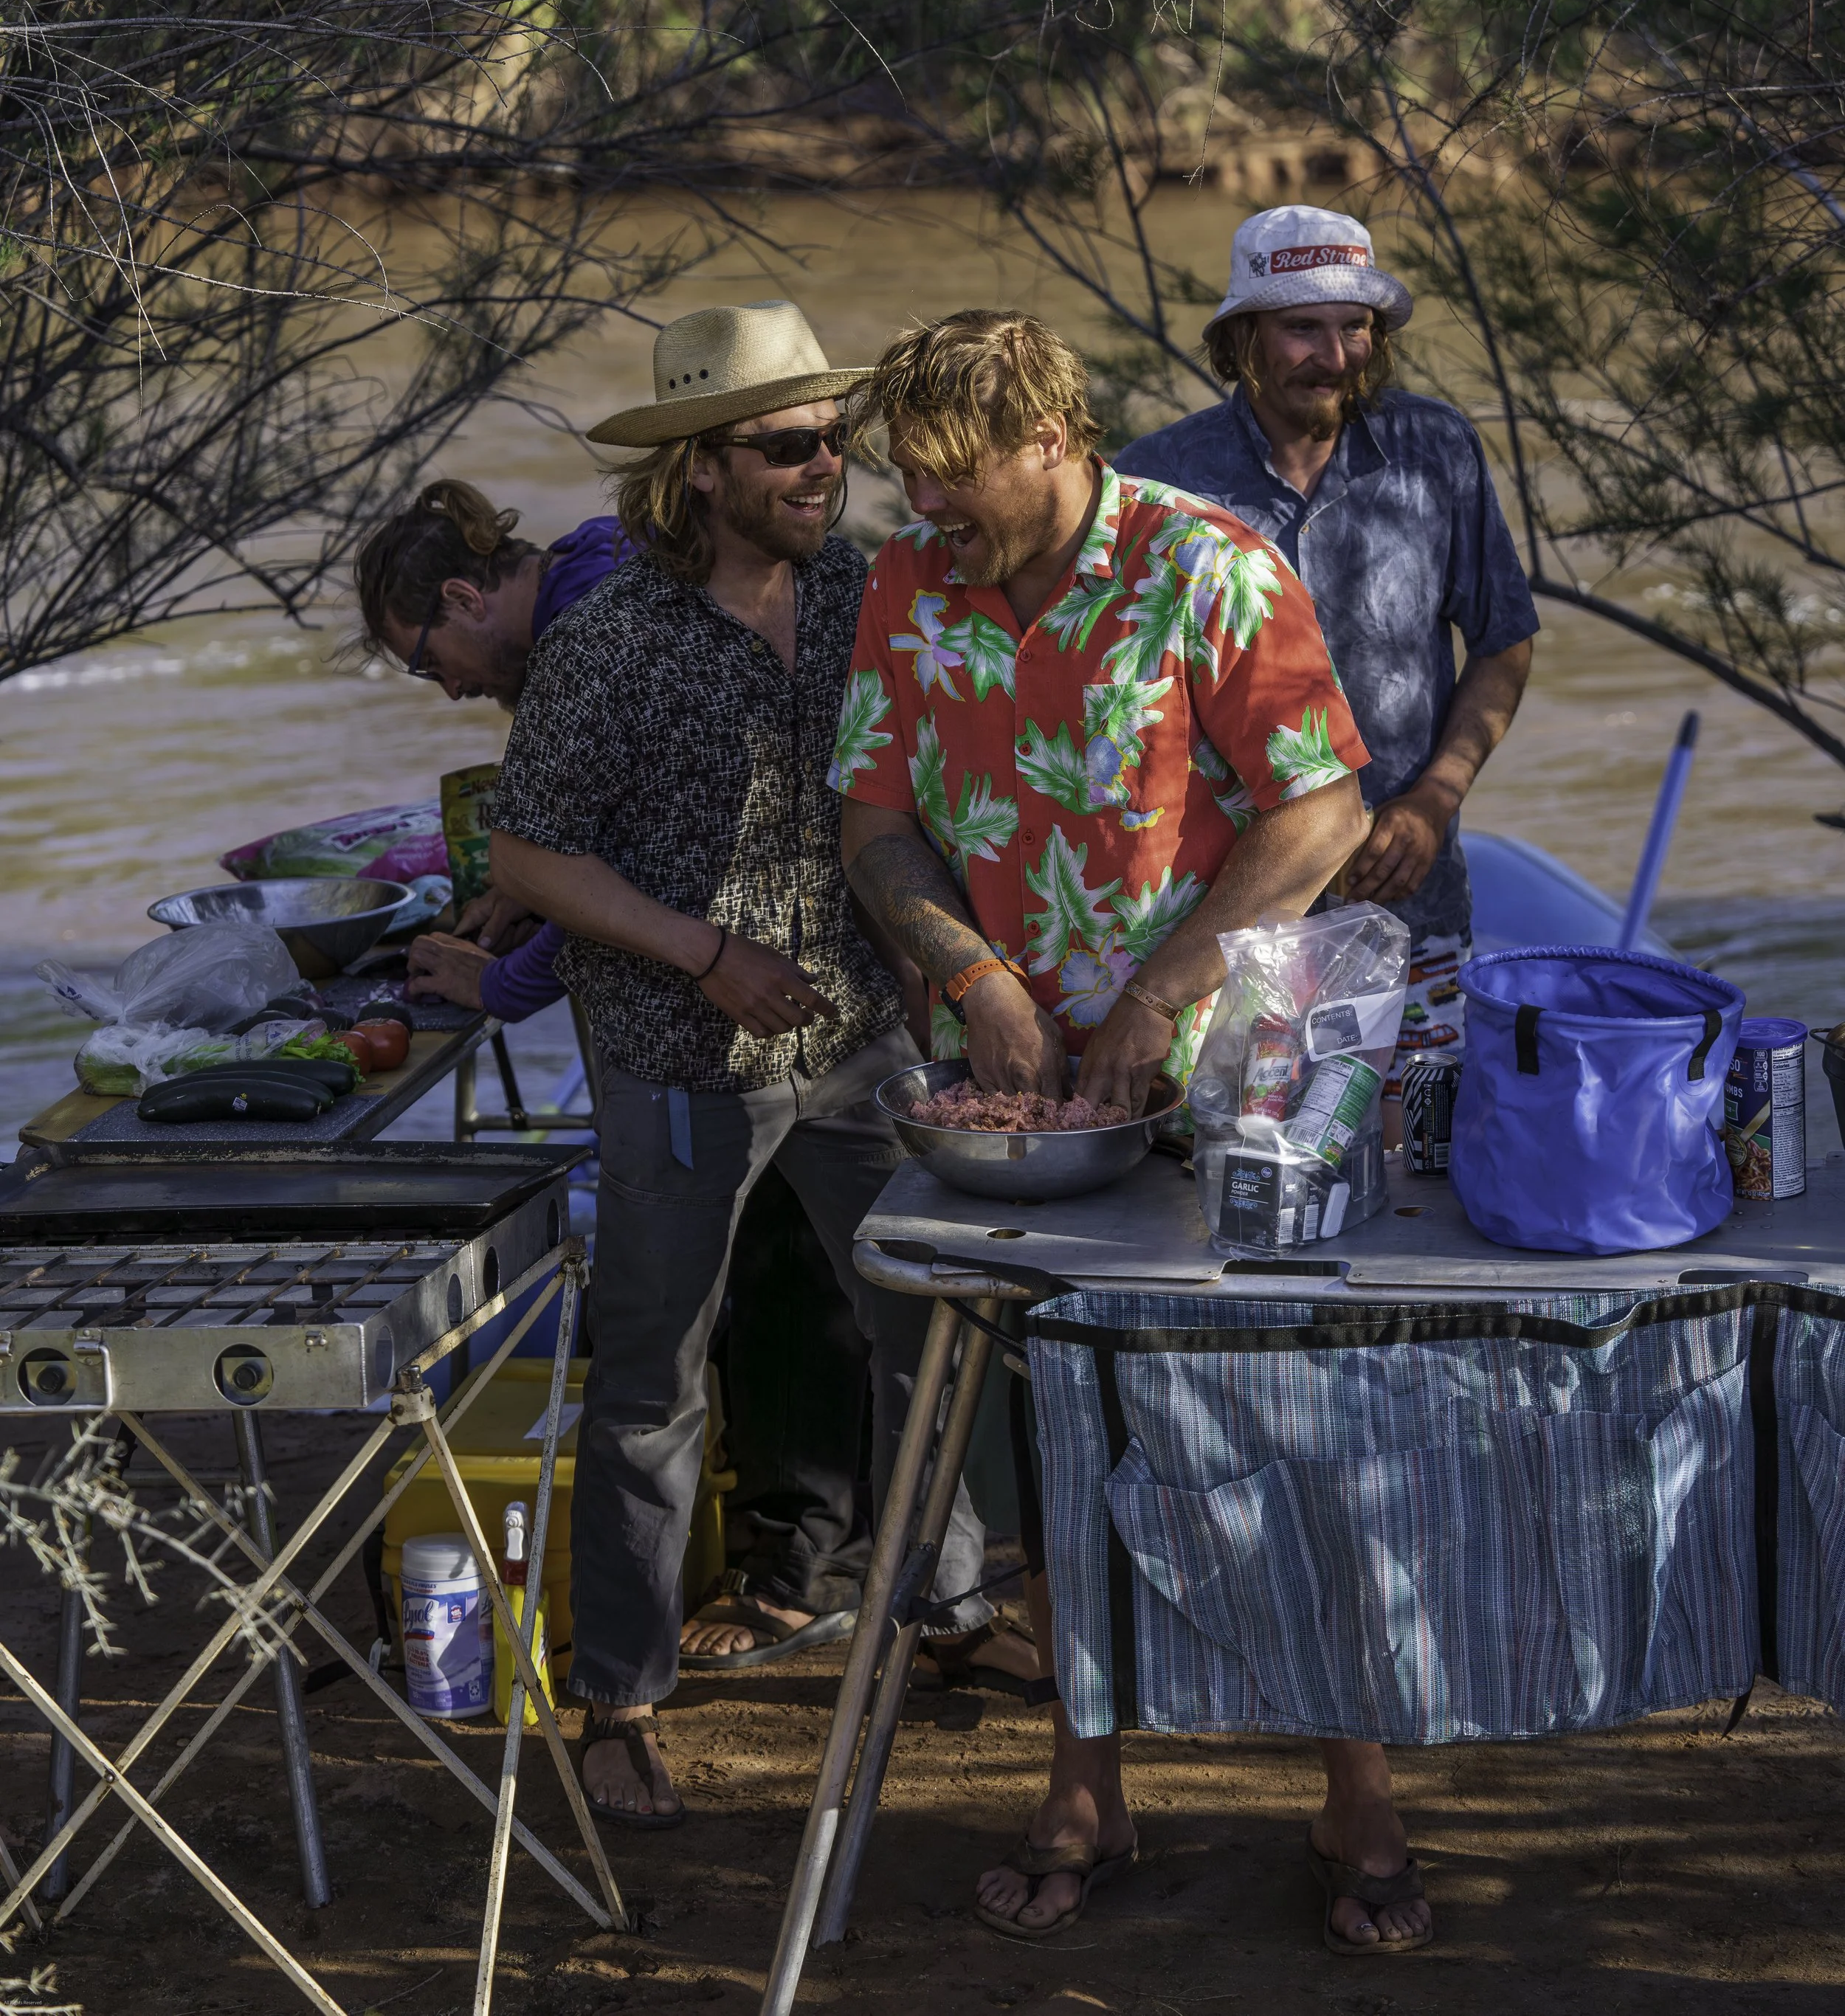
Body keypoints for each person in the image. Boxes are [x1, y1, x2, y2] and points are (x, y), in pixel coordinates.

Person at [833, 310, 1434, 1955]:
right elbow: (873, 820)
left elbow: (1319, 807)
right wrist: (966, 972)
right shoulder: (907, 584)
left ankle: (1352, 1782)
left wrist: (1161, 991)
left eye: (950, 475)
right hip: (1021, 1096)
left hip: (1231, 1071)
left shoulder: (1204, 565)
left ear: (1047, 433)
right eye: (905, 475)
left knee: (1280, 1416)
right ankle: (1083, 1777)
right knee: (1058, 1435)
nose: (920, 504)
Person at [488, 300, 1023, 1828]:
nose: (824, 462)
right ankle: (622, 1698)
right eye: (788, 443)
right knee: (654, 1383)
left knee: (929, 1336)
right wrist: (702, 949)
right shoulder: (609, 642)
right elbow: (526, 850)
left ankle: (958, 1610)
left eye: (831, 437)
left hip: (861, 1036)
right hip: (675, 1056)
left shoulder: (871, 590)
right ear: (698, 469)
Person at [1114, 206, 1538, 1126]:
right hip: (1219, 926)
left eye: (1355, 327)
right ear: (1242, 341)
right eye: (1303, 327)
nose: (1334, 355)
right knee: (1232, 1169)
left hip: (1408, 902)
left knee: (1409, 1166)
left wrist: (1433, 798)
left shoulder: (1435, 451)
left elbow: (1503, 639)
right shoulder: (1157, 482)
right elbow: (1115, 708)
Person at [353, 478, 638, 1023]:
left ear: (463, 598)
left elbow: (636, 865)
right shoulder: (596, 549)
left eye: (432, 662)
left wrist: (497, 983)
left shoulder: (588, 630)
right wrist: (534, 892)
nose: (453, 691)